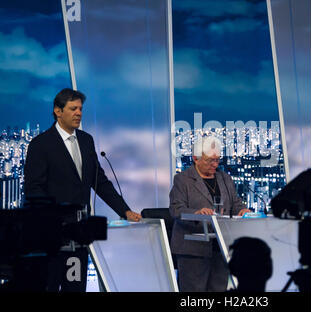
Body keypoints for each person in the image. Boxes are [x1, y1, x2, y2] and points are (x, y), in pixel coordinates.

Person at [24, 88, 141, 292]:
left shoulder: (86, 141)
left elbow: (100, 182)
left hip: (78, 236)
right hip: (51, 237)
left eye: (80, 108)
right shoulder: (40, 144)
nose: (78, 113)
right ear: (58, 111)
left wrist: (124, 210)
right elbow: (34, 189)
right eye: (73, 108)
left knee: (75, 287)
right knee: (49, 286)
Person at [169, 136, 251, 292]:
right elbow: (175, 209)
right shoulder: (182, 179)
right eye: (210, 160)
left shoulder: (224, 178)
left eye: (217, 160)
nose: (215, 164)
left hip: (220, 247)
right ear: (196, 159)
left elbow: (235, 204)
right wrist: (197, 212)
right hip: (192, 249)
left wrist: (242, 210)